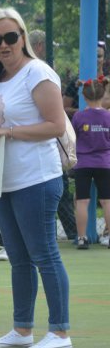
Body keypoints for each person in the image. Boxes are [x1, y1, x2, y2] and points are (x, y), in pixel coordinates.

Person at [0, 7, 72, 348]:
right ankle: (22, 328)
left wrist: (7, 132)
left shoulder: (37, 72)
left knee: (44, 253)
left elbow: (56, 125)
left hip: (37, 178)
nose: (4, 45)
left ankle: (60, 332)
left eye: (11, 37)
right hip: (3, 180)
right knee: (18, 257)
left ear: (23, 38)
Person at [29, 30, 77, 241]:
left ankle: (72, 232)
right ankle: (74, 232)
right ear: (39, 46)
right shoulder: (41, 71)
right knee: (60, 190)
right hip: (46, 146)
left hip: (42, 145)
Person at [71, 77, 110, 249]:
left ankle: (81, 238)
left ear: (84, 97)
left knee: (82, 201)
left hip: (83, 163)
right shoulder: (108, 116)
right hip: (104, 163)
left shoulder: (79, 116)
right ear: (103, 95)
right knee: (107, 201)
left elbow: (73, 139)